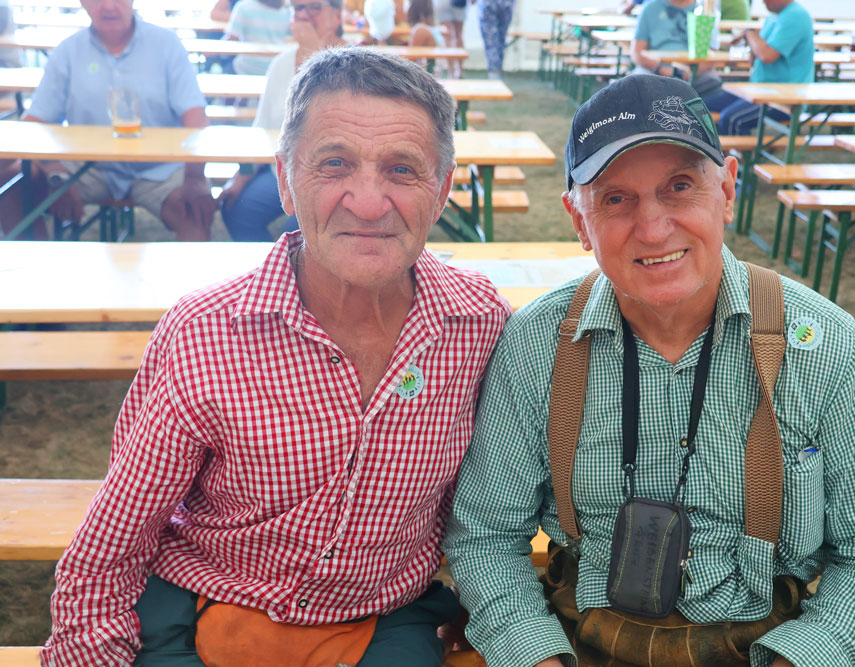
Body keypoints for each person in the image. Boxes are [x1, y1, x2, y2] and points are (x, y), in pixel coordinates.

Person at [41, 47, 510, 666]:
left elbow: (491, 512)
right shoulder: (205, 335)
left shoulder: (478, 325)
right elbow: (113, 547)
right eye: (334, 164)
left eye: (402, 169)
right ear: (285, 180)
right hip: (202, 602)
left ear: (443, 190)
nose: (368, 202)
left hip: (380, 616)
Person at [444, 74, 855, 667]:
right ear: (578, 217)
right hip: (578, 643)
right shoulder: (538, 345)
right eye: (615, 198)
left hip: (766, 649)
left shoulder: (822, 345)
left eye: (679, 186)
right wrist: (534, 655)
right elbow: (485, 539)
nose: (652, 228)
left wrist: (803, 656)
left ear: (726, 190)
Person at [22, 0, 216, 241]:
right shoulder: (68, 50)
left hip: (160, 167)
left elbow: (196, 119)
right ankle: (34, 267)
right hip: (88, 167)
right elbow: (33, 124)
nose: (108, 6)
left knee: (194, 212)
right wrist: (54, 171)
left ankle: (196, 279)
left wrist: (196, 177)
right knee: (18, 185)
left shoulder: (166, 44)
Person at [219, 0, 347, 241]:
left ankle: (298, 272)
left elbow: (330, 127)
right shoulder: (281, 63)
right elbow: (262, 127)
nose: (305, 15)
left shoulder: (358, 65)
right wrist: (240, 177)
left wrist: (314, 53)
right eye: (298, 8)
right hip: (284, 171)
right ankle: (274, 271)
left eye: (314, 8)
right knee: (237, 210)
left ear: (337, 16)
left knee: (298, 231)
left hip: (336, 176)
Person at [712, 0, 814, 135]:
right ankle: (718, 153)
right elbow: (755, 59)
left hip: (783, 99)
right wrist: (751, 39)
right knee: (702, 109)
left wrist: (749, 34)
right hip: (759, 90)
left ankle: (741, 156)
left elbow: (767, 55)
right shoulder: (774, 16)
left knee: (732, 119)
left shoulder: (795, 16)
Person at [628, 0, 725, 101]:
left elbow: (712, 54)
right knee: (640, 82)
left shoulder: (705, 10)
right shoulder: (650, 7)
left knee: (714, 83)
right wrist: (657, 67)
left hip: (694, 73)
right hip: (656, 71)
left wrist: (694, 71)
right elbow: (636, 53)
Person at [223, 0, 292, 76]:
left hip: (246, 67)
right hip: (275, 67)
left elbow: (231, 39)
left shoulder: (244, 6)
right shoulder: (287, 10)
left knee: (226, 68)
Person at [475, 0, 515, 80]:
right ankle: (496, 72)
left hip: (488, 3)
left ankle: (494, 74)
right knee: (500, 39)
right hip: (506, 4)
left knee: (491, 40)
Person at [434, 0, 466, 77]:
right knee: (459, 35)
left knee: (448, 37)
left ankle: (451, 71)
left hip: (443, 3)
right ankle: (460, 71)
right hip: (459, 3)